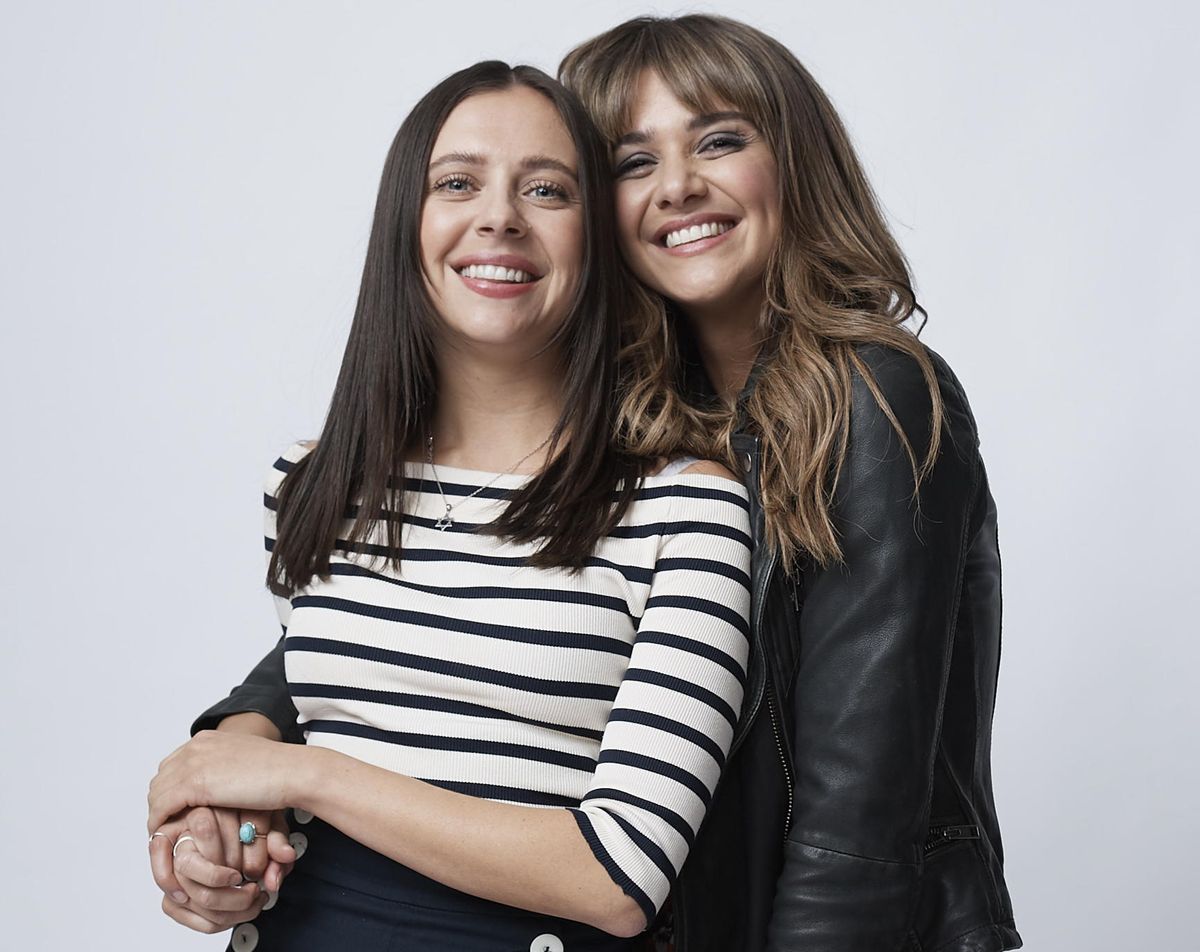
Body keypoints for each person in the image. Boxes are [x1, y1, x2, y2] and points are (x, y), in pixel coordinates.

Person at [153, 14, 1022, 952]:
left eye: (720, 140)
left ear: (797, 163)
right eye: (632, 162)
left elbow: (856, 824)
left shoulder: (871, 402)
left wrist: (298, 776)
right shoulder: (641, 412)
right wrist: (240, 740)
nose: (679, 185)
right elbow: (426, 617)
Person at [146, 59, 751, 952]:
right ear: (407, 224)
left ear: (596, 241)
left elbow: (619, 874)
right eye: (457, 183)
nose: (498, 216)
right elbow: (316, 707)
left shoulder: (686, 510)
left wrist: (303, 777)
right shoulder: (315, 484)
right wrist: (225, 838)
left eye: (546, 189)